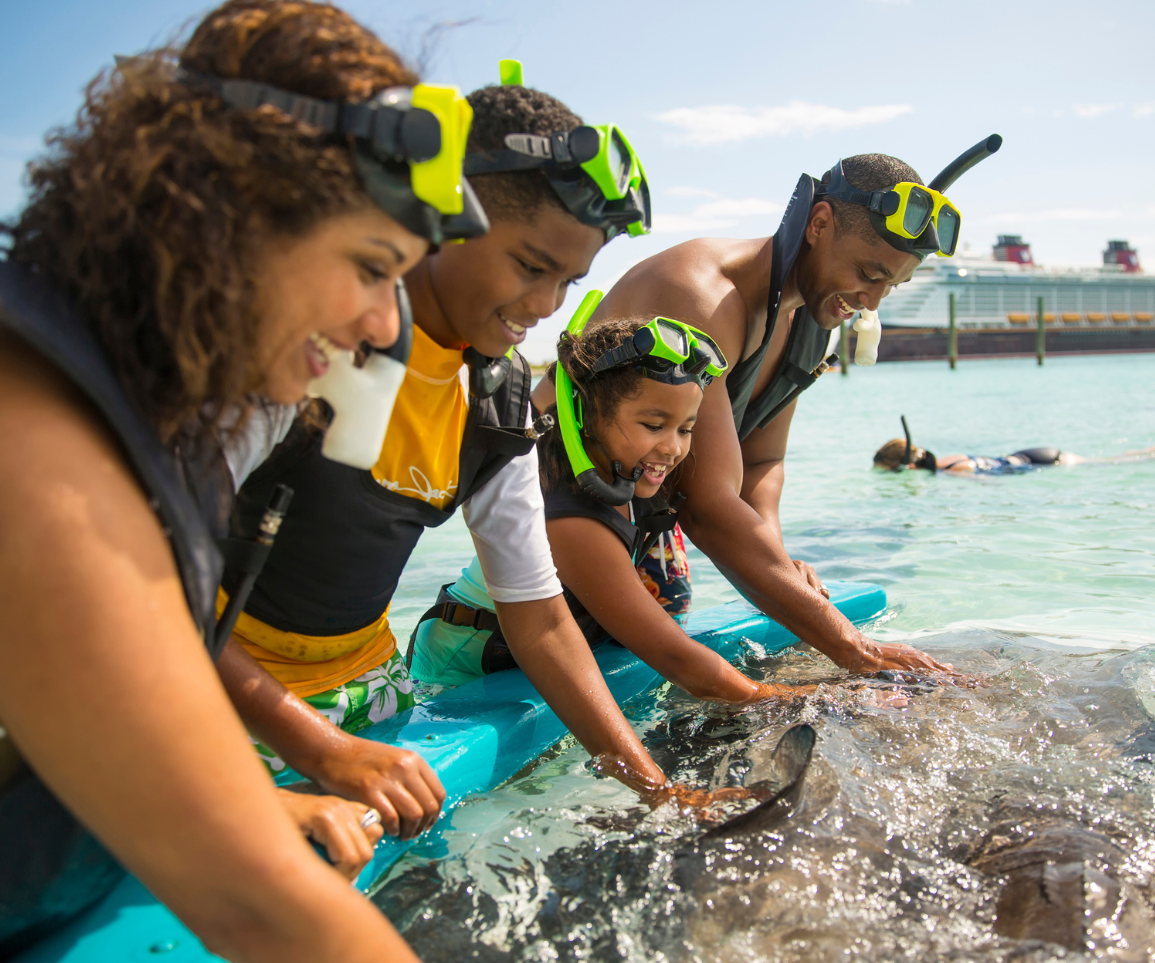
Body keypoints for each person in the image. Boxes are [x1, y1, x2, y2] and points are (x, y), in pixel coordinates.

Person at [0, 0, 481, 958]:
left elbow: (126, 687)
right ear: (224, 210)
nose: (385, 327)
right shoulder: (33, 445)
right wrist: (249, 842)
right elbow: (253, 910)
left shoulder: (146, 400)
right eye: (371, 266)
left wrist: (254, 802)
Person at [213, 64, 722, 824]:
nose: (544, 307)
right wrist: (317, 750)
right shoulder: (301, 343)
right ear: (435, 209)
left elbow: (541, 620)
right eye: (528, 265)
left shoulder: (496, 402)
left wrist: (660, 791)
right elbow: (147, 595)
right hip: (217, 688)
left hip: (371, 689)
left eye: (568, 280)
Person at [531, 144, 1001, 677]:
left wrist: (778, 563)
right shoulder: (702, 296)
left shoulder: (809, 323)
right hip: (564, 527)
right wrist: (851, 647)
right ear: (819, 222)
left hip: (648, 540)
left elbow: (760, 461)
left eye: (893, 285)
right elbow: (704, 502)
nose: (873, 302)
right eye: (869, 273)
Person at [409, 298, 822, 703]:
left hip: (518, 658)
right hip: (461, 665)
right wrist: (798, 698)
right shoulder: (570, 520)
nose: (673, 448)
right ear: (588, 414)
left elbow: (730, 532)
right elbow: (675, 658)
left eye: (685, 428)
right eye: (653, 424)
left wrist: (785, 571)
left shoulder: (634, 473)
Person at [873, 416, 1085, 474]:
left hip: (1041, 461)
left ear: (908, 467)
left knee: (1112, 461)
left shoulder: (955, 469)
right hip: (1028, 457)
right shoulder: (945, 464)